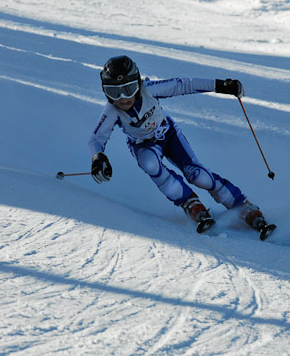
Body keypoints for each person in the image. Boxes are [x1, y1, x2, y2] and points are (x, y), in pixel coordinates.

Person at [88, 55, 275, 238]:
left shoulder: (149, 90)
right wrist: (98, 157)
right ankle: (189, 202)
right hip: (143, 145)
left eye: (128, 89)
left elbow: (183, 84)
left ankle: (242, 205)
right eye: (114, 92)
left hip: (169, 135)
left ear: (137, 83)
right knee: (150, 164)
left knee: (198, 176)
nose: (122, 98)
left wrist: (220, 85)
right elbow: (96, 138)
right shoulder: (112, 110)